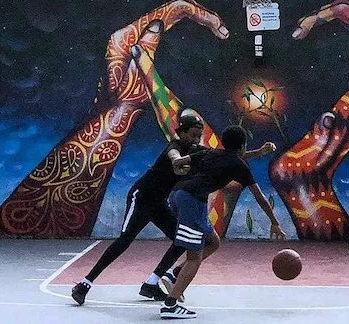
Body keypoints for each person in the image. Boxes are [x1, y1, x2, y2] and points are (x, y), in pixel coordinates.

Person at [71, 110, 275, 305]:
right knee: (125, 240)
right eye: (193, 135)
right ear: (182, 133)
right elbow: (174, 155)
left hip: (160, 203)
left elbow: (229, 158)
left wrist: (260, 152)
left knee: (181, 241)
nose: (196, 140)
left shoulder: (198, 152)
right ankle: (85, 284)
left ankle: (151, 282)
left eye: (198, 136)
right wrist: (178, 161)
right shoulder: (174, 145)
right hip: (142, 197)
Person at [159, 125, 286, 320]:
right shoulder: (239, 165)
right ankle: (170, 304)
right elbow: (259, 196)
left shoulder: (211, 153)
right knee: (194, 256)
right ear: (242, 146)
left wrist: (178, 162)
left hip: (178, 194)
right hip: (191, 200)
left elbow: (183, 161)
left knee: (213, 242)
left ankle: (175, 273)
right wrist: (275, 222)